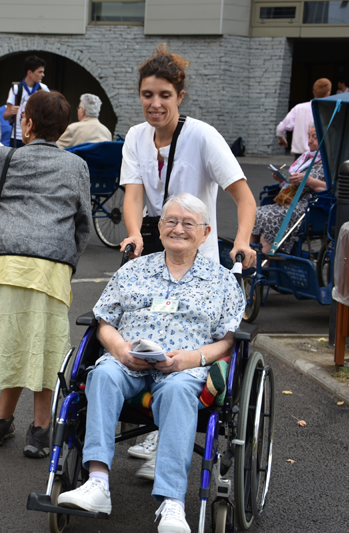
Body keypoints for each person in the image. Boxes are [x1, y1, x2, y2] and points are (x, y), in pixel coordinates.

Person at [56, 192, 244, 533]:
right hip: (128, 360)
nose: (178, 229)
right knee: (103, 374)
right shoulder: (133, 270)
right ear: (159, 228)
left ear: (205, 233)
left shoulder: (222, 281)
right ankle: (97, 483)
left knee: (177, 391)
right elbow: (104, 321)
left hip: (184, 368)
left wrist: (193, 358)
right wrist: (119, 349)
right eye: (171, 221)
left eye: (188, 223)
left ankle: (172, 503)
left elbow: (229, 338)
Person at [0, 90, 91, 458]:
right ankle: (39, 430)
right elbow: (83, 224)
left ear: (27, 123)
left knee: (11, 342)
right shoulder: (76, 166)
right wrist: (66, 259)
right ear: (62, 128)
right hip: (50, 267)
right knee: (44, 346)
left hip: (3, 263)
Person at [119, 45, 256, 269]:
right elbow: (134, 197)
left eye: (165, 95)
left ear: (180, 97)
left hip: (197, 258)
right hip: (153, 253)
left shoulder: (203, 136)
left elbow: (245, 198)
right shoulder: (136, 136)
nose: (155, 104)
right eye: (147, 95)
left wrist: (242, 241)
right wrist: (135, 234)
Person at [252, 125, 326, 254]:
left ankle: (264, 260)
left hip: (306, 205)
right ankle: (246, 254)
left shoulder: (328, 162)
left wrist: (309, 181)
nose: (310, 141)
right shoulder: (305, 157)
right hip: (288, 200)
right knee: (253, 213)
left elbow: (331, 188)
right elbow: (290, 181)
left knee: (270, 217)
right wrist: (281, 179)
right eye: (309, 136)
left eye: (314, 137)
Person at [276, 78, 331, 158]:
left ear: (313, 91)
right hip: (319, 157)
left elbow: (280, 128)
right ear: (328, 93)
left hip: (299, 156)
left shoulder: (298, 108)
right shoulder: (329, 112)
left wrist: (282, 139)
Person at [3, 55, 48, 148]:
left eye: (43, 72)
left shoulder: (43, 89)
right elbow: (5, 116)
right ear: (30, 73)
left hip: (35, 136)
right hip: (18, 136)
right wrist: (11, 112)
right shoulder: (16, 89)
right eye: (40, 72)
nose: (43, 75)